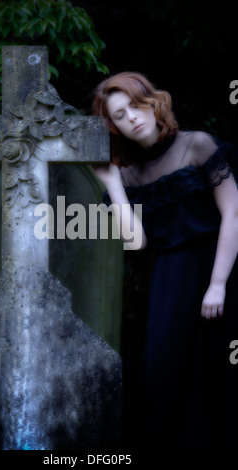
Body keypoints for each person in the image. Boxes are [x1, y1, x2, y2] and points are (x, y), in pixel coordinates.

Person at [92, 71, 238, 449]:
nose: (132, 118)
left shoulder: (197, 145)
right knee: (164, 376)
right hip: (170, 281)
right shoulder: (128, 172)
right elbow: (136, 242)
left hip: (220, 267)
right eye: (119, 116)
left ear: (152, 101)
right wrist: (112, 184)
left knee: (217, 372)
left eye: (134, 106)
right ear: (115, 128)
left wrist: (218, 284)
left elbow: (233, 215)